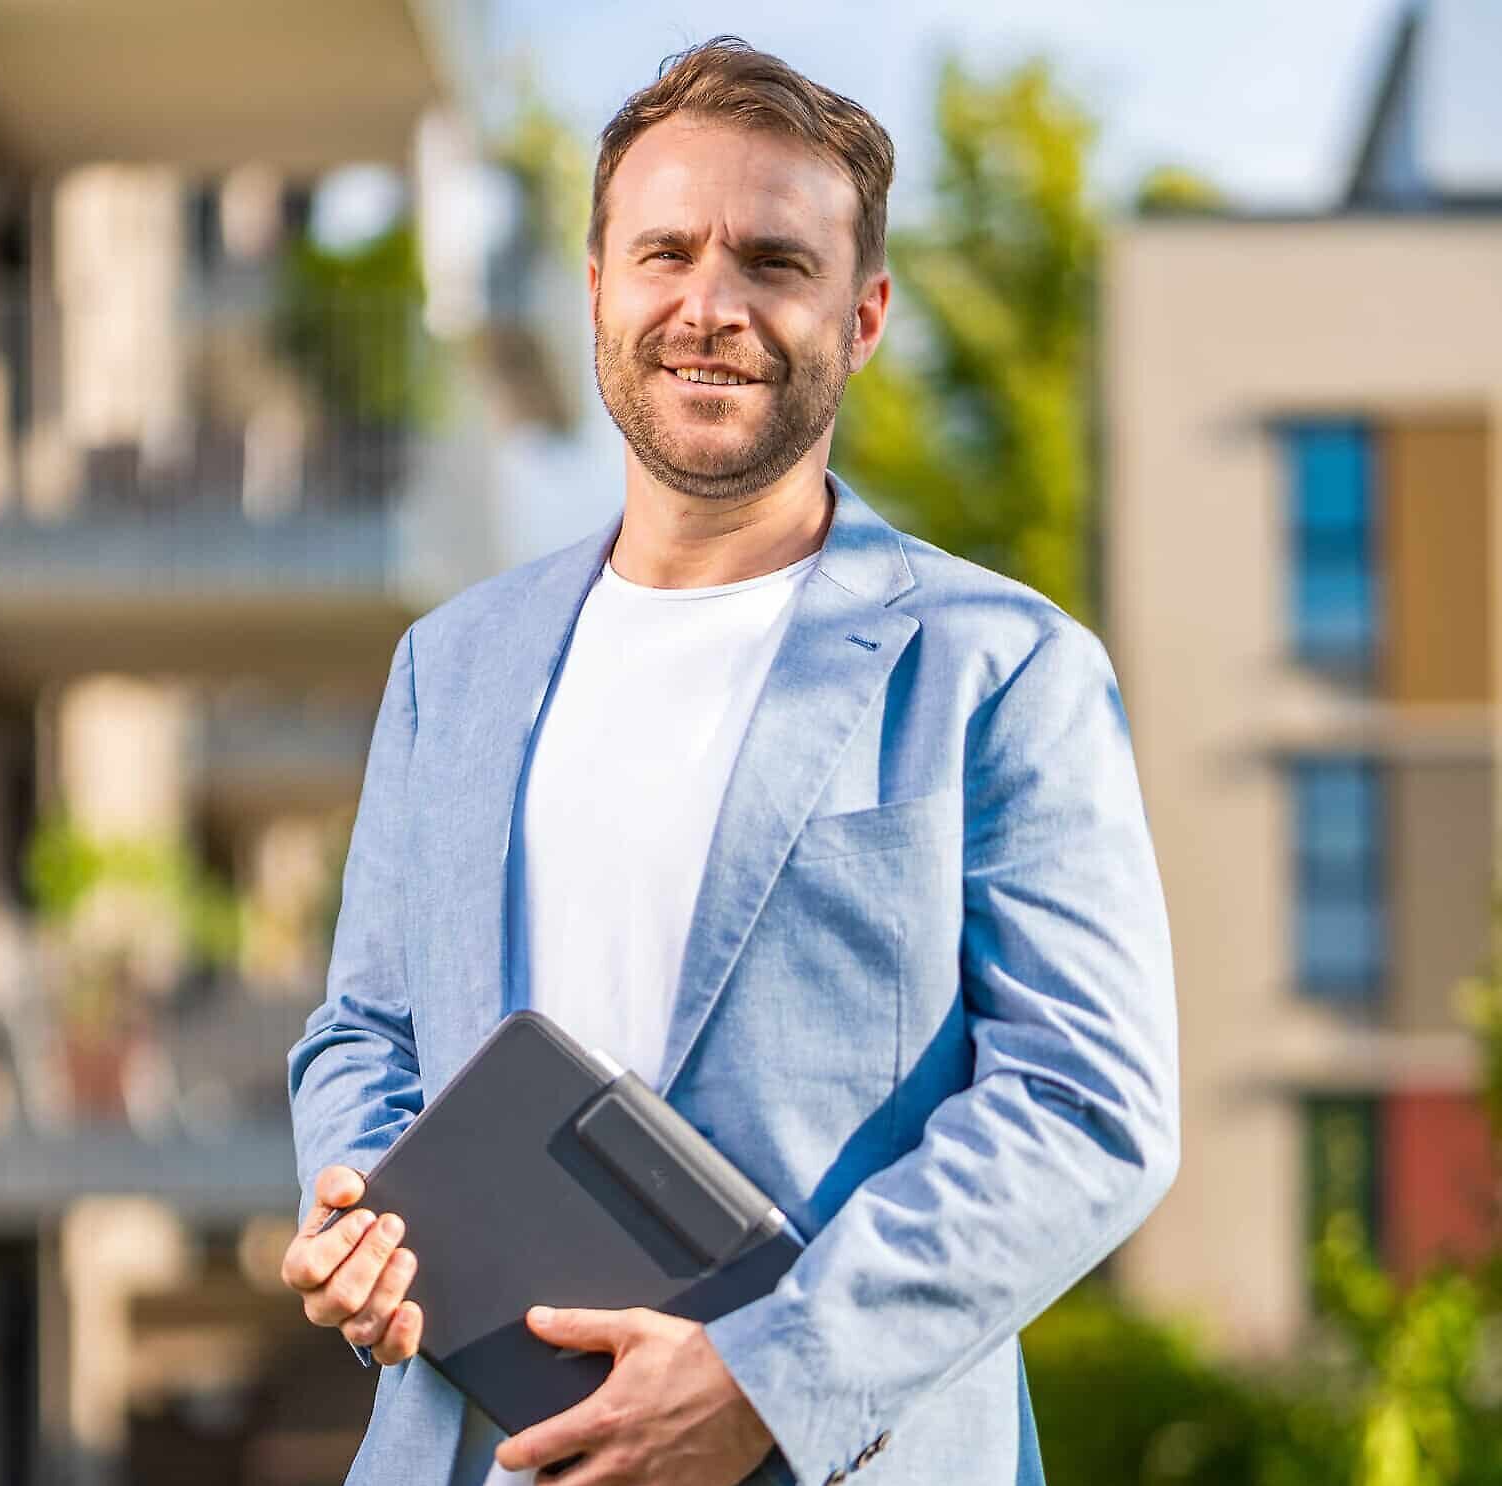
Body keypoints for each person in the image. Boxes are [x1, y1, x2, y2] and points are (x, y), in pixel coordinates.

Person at [281, 35, 1178, 1486]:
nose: (711, 305)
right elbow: (364, 1029)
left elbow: (1089, 1105)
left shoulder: (1001, 669)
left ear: (864, 313)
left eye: (774, 261)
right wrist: (360, 1215)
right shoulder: (449, 667)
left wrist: (769, 1377)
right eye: (666, 252)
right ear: (596, 292)